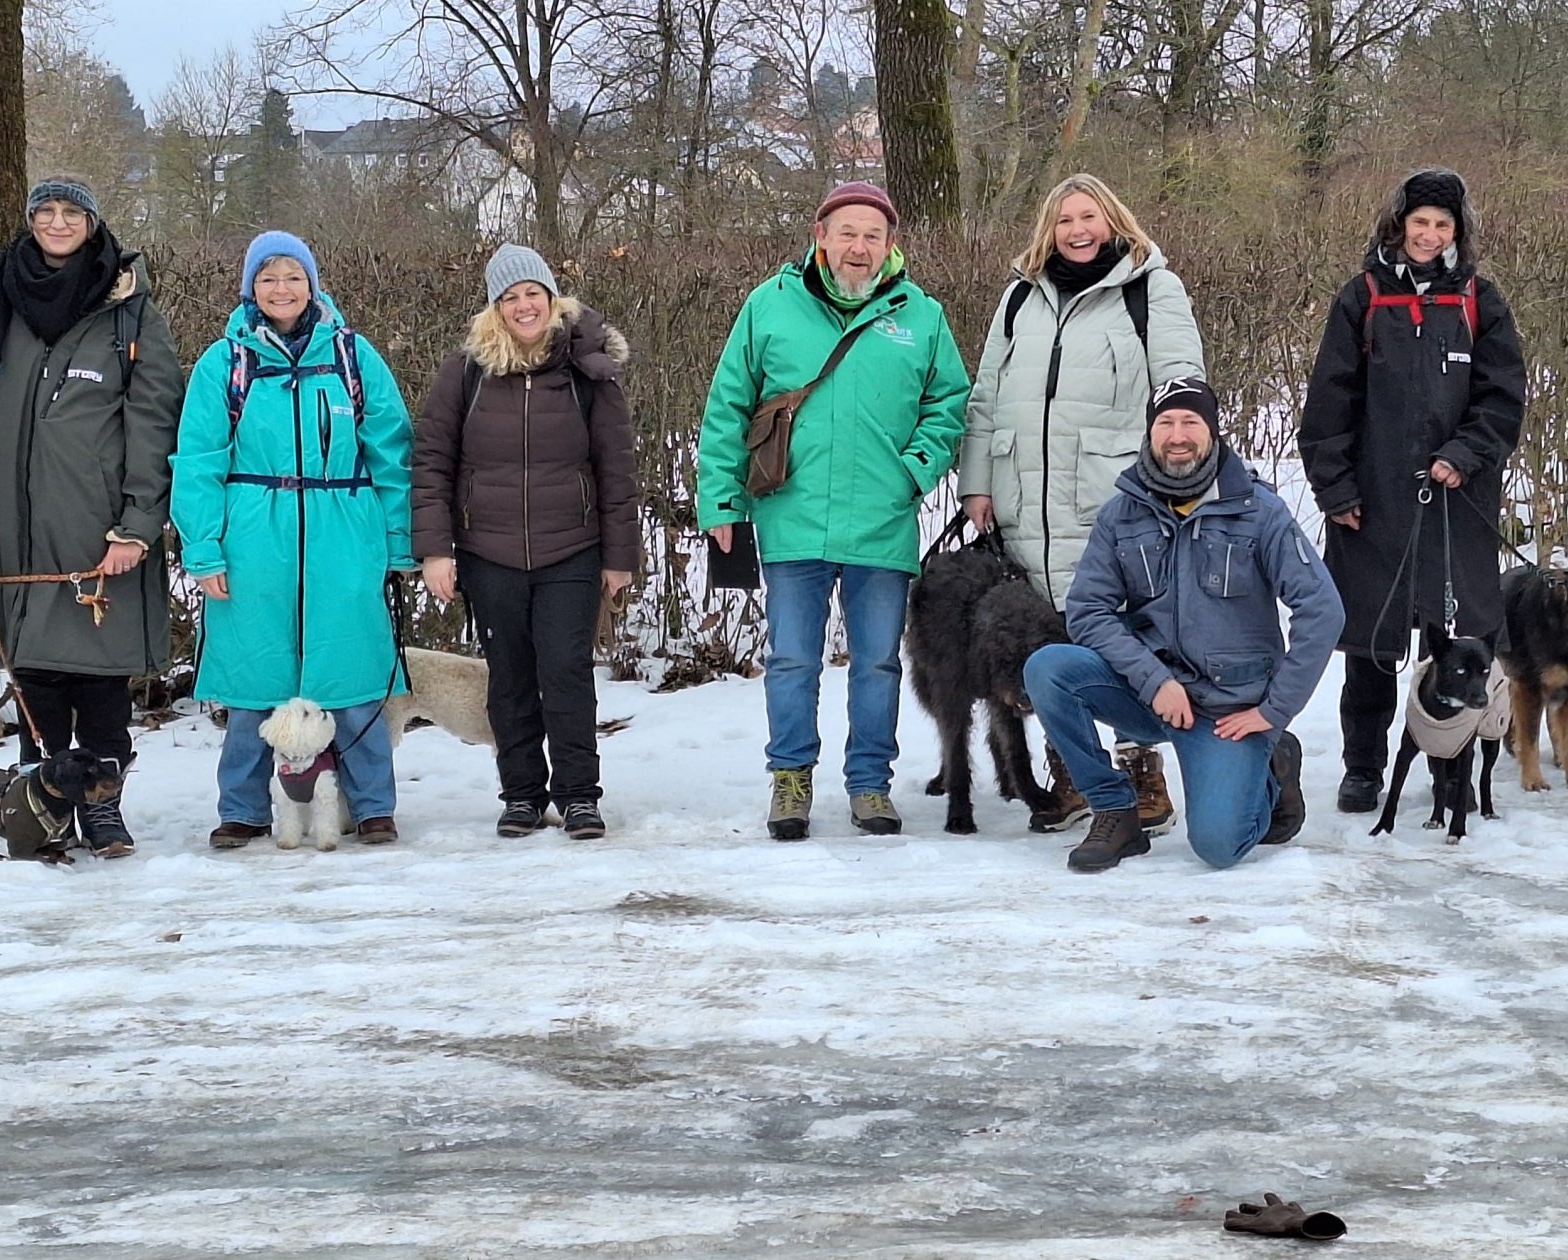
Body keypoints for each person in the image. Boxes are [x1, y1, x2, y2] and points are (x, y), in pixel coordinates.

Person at [695, 181, 970, 840]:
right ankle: (790, 778)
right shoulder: (770, 305)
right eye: (847, 232)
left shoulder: (921, 316)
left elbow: (950, 403)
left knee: (877, 664)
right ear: (820, 236)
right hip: (792, 515)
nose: (859, 246)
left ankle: (870, 783)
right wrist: (721, 499)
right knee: (793, 660)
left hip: (882, 520)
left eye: (873, 235)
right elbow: (728, 405)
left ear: (890, 244)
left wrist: (913, 471)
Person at [954, 172, 1205, 834]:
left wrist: (1175, 484)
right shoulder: (1019, 297)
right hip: (1026, 506)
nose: (1077, 230)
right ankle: (1071, 769)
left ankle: (1139, 769)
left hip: (1114, 503)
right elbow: (986, 397)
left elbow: (1183, 392)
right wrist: (977, 481)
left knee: (1124, 634)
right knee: (1044, 640)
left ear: (1112, 221)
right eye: (1065, 220)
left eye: (1088, 216)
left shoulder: (1151, 290)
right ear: (1049, 229)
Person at [0, 177, 182, 857]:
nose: (56, 222)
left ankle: (103, 810)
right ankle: (39, 812)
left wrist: (138, 522)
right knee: (36, 679)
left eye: (70, 212)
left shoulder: (130, 311)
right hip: (14, 531)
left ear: (92, 223)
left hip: (100, 531)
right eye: (44, 211)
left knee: (100, 680)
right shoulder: (3, 299)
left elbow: (155, 421)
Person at [1025, 377, 1343, 872]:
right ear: (1150, 432)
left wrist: (1274, 709)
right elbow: (1087, 610)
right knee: (1049, 668)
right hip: (1149, 695)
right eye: (1166, 423)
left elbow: (1322, 609)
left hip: (1229, 710)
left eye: (1190, 422)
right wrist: (1154, 681)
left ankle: (1271, 769)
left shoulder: (1259, 511)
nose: (1178, 436)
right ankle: (1114, 810)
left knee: (1219, 847)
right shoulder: (1121, 514)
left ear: (1212, 431)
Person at [170, 231, 415, 848]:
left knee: (354, 677)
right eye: (268, 278)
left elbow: (391, 451)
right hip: (254, 533)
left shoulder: (352, 356)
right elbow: (198, 460)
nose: (282, 289)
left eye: (293, 277)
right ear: (250, 288)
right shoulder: (225, 362)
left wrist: (396, 539)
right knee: (254, 678)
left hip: (345, 530)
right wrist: (203, 547)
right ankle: (243, 807)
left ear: (313, 284)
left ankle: (372, 806)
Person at [1296, 168, 1525, 815]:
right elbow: (1328, 404)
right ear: (1399, 226)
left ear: (1457, 231)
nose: (1429, 234)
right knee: (1370, 647)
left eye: (1441, 224)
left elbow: (1503, 399)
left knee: (1451, 646)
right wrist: (1336, 489)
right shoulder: (1361, 297)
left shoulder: (1481, 300)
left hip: (1458, 503)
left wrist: (1464, 454)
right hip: (1372, 505)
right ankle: (1363, 768)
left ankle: (1448, 764)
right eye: (1419, 222)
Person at [413, 244, 640, 840]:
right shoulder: (467, 371)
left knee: (566, 673)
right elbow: (432, 462)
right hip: (488, 553)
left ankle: (579, 795)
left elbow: (617, 468)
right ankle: (521, 795)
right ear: (495, 308)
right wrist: (436, 549)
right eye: (509, 297)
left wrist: (620, 556)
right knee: (509, 678)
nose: (523, 306)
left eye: (532, 293)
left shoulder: (587, 370)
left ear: (551, 298)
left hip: (572, 549)